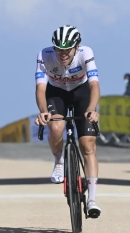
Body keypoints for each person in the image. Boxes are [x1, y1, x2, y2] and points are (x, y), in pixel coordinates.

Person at [34, 25, 101, 217]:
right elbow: (40, 88)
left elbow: (94, 85)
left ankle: (92, 200)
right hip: (56, 93)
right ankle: (59, 161)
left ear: (76, 47)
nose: (62, 54)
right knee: (55, 126)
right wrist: (43, 111)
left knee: (87, 144)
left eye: (67, 50)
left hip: (81, 93)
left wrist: (91, 110)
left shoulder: (85, 52)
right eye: (59, 49)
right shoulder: (44, 54)